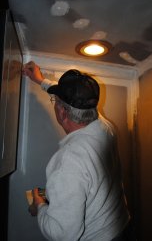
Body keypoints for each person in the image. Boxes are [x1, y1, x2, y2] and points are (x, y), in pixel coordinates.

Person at [23, 61, 135, 241]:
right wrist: (41, 81)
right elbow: (74, 100)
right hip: (124, 227)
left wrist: (40, 205)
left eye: (56, 101)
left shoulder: (67, 162)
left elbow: (63, 234)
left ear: (62, 113)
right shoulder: (105, 128)